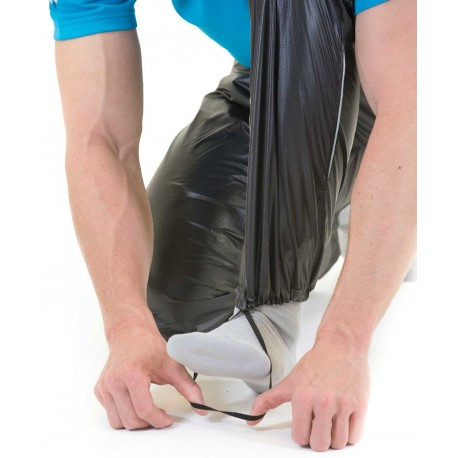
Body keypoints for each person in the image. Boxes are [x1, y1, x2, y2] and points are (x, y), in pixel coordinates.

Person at [49, 0, 416, 452]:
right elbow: (100, 139)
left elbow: (412, 110)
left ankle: (274, 306)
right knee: (173, 303)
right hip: (272, 85)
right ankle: (352, 200)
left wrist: (345, 341)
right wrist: (125, 325)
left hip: (398, 90)